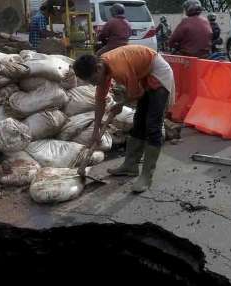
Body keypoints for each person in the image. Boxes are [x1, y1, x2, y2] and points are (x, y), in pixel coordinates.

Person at [73, 45, 175, 193]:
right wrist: (96, 131)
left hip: (158, 73)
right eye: (90, 82)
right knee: (139, 121)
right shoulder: (102, 69)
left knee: (152, 125)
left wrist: (121, 104)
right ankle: (130, 166)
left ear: (98, 68)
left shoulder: (118, 68)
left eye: (94, 80)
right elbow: (100, 101)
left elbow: (137, 93)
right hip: (143, 75)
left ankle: (146, 176)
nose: (94, 84)